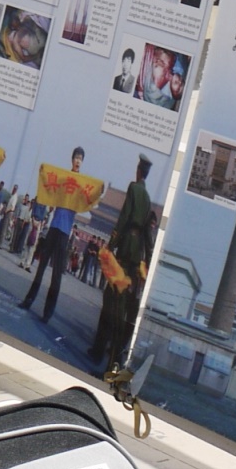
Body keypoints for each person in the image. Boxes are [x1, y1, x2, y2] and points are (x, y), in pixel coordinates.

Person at [90, 157, 155, 372]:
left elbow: (124, 217)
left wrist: (111, 244)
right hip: (135, 256)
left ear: (138, 171)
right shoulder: (147, 198)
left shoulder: (133, 188)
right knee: (114, 303)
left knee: (112, 304)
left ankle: (104, 358)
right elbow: (146, 232)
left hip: (125, 252)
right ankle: (99, 351)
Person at [20, 147, 87, 322]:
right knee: (41, 267)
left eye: (81, 158)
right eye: (76, 157)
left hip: (65, 232)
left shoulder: (81, 185)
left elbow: (87, 200)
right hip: (54, 226)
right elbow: (50, 189)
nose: (78, 161)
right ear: (72, 159)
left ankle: (47, 313)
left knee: (56, 274)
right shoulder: (63, 178)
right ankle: (28, 300)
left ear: (82, 162)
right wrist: (43, 173)